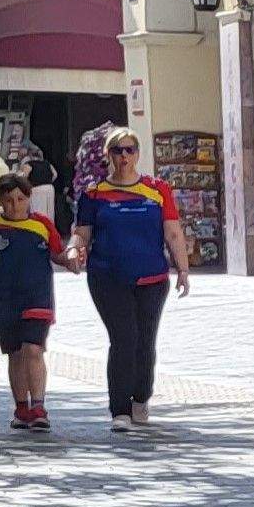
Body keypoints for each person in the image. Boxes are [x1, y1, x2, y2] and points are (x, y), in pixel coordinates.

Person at [68, 129, 192, 432]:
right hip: (107, 276)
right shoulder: (94, 193)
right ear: (109, 155)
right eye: (117, 151)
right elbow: (82, 231)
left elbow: (173, 232)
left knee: (145, 340)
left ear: (137, 154)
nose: (124, 156)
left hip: (151, 276)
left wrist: (183, 270)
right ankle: (119, 409)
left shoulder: (157, 189)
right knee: (123, 338)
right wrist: (74, 248)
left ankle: (141, 397)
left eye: (129, 150)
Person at [0, 173, 78, 432]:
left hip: (38, 297)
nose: (15, 205)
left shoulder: (42, 225)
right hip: (5, 300)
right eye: (8, 200)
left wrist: (72, 261)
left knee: (33, 349)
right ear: (0, 201)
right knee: (15, 354)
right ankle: (22, 408)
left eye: (21, 199)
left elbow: (58, 254)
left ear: (29, 198)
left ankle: (39, 407)